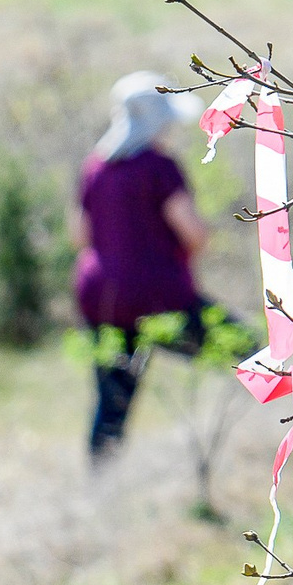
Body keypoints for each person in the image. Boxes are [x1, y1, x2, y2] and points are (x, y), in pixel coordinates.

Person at [74, 72, 217, 459]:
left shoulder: (96, 168)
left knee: (113, 397)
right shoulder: (158, 167)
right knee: (247, 353)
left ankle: (99, 486)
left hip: (101, 296)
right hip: (158, 295)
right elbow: (193, 233)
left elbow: (79, 236)